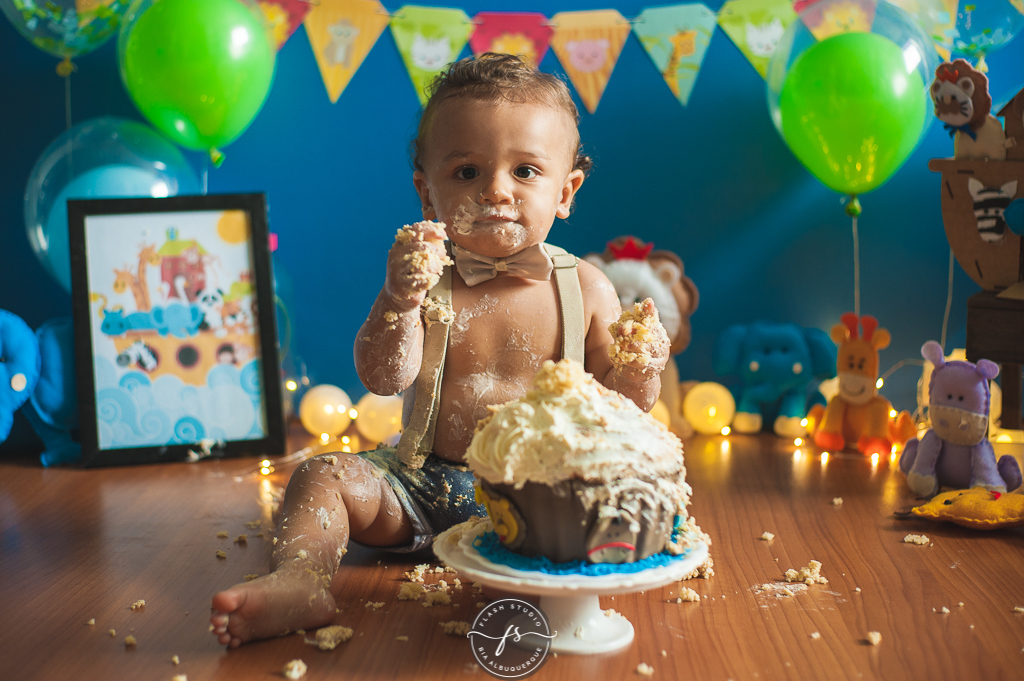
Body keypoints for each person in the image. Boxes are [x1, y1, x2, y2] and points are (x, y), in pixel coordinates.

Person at [210, 53, 670, 647]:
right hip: (423, 486)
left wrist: (641, 367)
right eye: (467, 173)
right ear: (427, 194)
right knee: (322, 475)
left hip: (541, 499)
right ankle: (300, 580)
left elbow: (624, 408)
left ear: (567, 191)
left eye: (526, 171)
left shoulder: (585, 287)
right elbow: (382, 377)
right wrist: (398, 301)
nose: (496, 190)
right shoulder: (427, 280)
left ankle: (542, 580)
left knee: (614, 506)